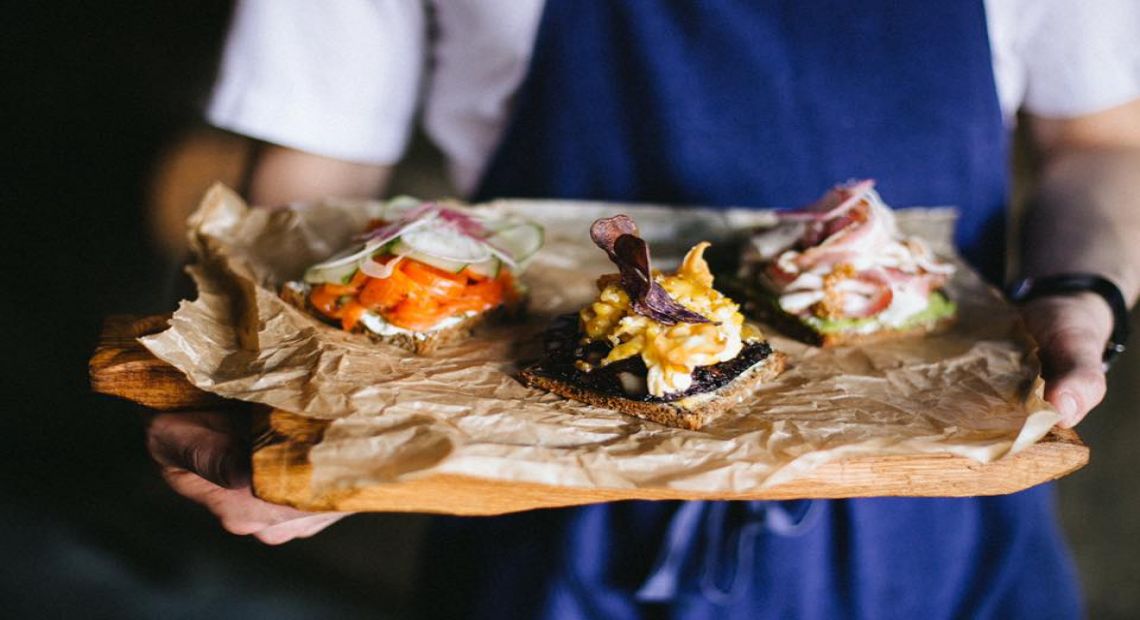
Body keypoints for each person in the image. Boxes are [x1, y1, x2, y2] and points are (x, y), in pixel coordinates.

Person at [146, 0, 1140, 616]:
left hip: (938, 501)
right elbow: (314, 169)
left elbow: (1105, 139)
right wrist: (285, 393)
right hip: (542, 512)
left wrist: (1078, 292)